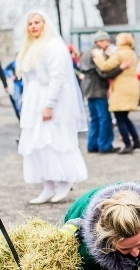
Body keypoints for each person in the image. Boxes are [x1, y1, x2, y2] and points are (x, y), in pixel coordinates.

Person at [17, 11, 88, 204]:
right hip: (33, 100)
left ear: (45, 24)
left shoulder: (54, 46)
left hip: (51, 100)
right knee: (38, 144)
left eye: (37, 22)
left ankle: (64, 183)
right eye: (30, 23)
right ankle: (47, 187)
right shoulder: (30, 47)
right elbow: (28, 79)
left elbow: (58, 78)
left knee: (55, 141)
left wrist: (49, 105)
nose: (33, 26)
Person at [93, 32, 140, 155]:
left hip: (121, 88)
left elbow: (105, 66)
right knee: (125, 117)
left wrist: (97, 56)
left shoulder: (120, 53)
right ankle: (136, 140)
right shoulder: (132, 53)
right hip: (132, 86)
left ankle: (127, 144)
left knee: (120, 118)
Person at [79, 31, 123, 154]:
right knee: (104, 118)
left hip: (88, 88)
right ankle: (105, 145)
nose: (107, 43)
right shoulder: (97, 53)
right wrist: (120, 68)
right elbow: (104, 72)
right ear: (98, 41)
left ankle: (92, 144)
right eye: (104, 41)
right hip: (98, 88)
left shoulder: (86, 52)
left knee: (94, 118)